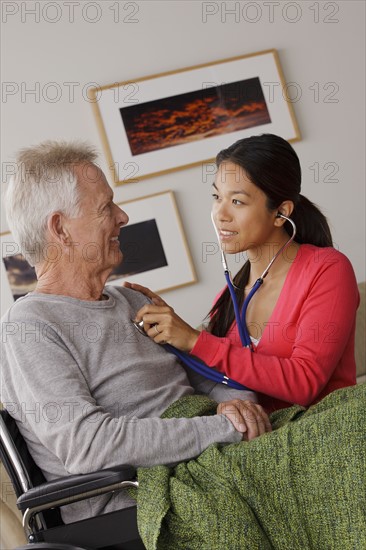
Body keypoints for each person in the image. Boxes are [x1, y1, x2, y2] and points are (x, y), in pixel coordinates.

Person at [0, 140, 272, 524]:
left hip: (212, 460)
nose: (122, 216)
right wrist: (223, 429)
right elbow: (89, 446)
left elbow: (210, 377)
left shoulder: (128, 301)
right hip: (143, 498)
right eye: (105, 207)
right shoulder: (29, 328)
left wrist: (240, 407)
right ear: (60, 229)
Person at [129, 134, 359, 413]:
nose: (220, 214)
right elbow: (217, 379)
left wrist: (194, 340)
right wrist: (169, 330)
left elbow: (304, 383)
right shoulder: (229, 296)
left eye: (237, 201)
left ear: (280, 213)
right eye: (217, 197)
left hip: (328, 433)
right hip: (262, 442)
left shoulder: (328, 270)